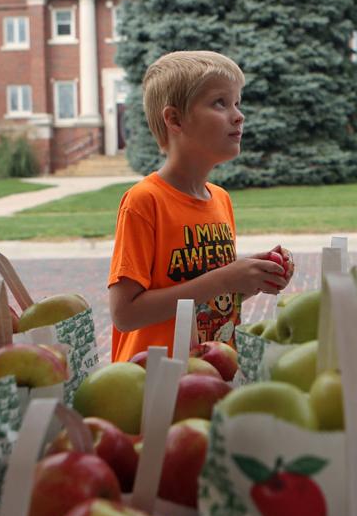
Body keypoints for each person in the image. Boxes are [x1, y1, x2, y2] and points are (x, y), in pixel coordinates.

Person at [109, 51, 293, 362]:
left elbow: (209, 300)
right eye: (220, 103)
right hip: (153, 380)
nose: (238, 115)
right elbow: (125, 314)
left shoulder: (220, 199)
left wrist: (251, 280)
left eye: (237, 103)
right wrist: (225, 278)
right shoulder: (144, 201)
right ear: (175, 119)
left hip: (212, 371)